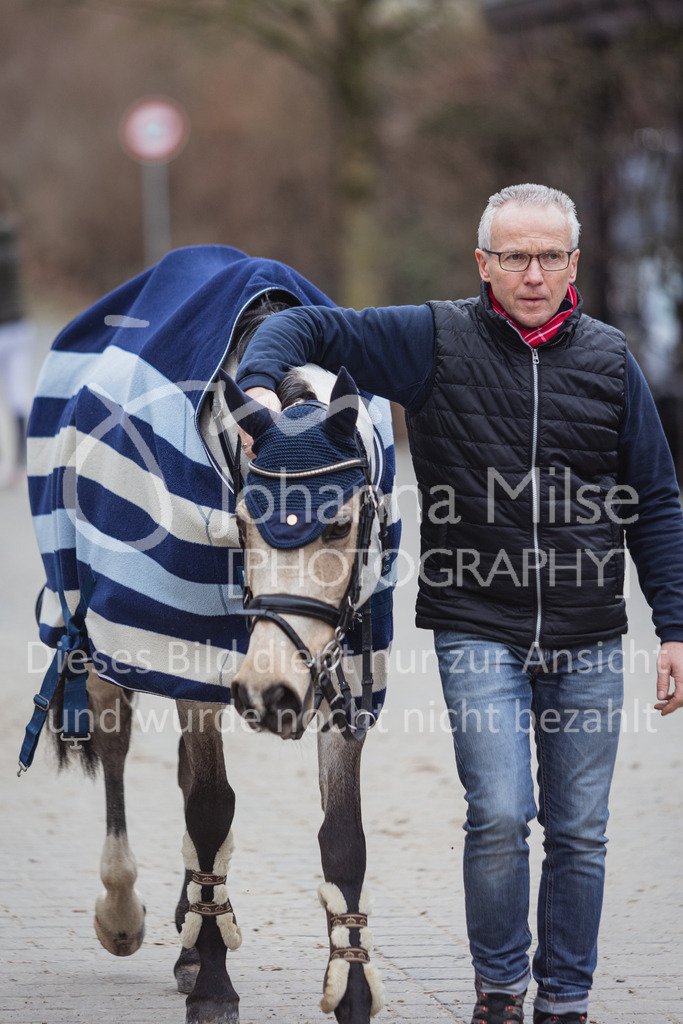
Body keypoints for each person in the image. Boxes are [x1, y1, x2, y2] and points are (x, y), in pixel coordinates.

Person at [233, 183, 683, 1024]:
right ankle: (498, 994)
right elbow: (298, 324)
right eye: (513, 255)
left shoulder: (611, 358)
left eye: (550, 255)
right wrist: (260, 392)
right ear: (484, 263)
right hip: (478, 626)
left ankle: (567, 1002)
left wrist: (675, 627)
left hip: (589, 636)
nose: (533, 272)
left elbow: (654, 498)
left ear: (573, 263)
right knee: (501, 816)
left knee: (581, 832)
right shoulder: (429, 340)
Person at [0, 208, 33, 486]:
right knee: (17, 396)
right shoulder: (11, 240)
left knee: (16, 397)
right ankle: (19, 462)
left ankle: (7, 461)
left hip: (7, 328)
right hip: (19, 327)